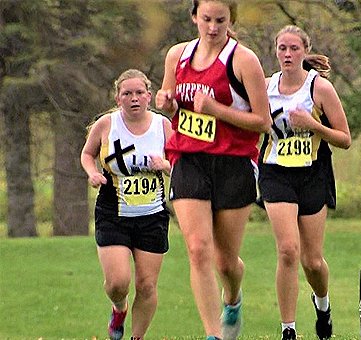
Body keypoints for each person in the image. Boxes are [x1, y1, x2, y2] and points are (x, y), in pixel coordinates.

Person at [155, 1, 271, 339]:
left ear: (230, 20)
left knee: (226, 262)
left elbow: (262, 122)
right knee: (197, 249)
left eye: (220, 20)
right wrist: (168, 103)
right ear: (194, 17)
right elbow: (172, 101)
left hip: (233, 162)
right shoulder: (177, 55)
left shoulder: (243, 60)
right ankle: (213, 335)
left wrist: (218, 110)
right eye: (206, 19)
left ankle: (232, 298)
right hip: (188, 157)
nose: (212, 27)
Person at [258, 25, 351, 340]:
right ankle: (288, 330)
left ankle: (322, 304)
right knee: (287, 250)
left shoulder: (319, 89)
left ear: (304, 51)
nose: (287, 54)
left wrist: (313, 125)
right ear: (276, 51)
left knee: (312, 261)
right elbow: (250, 123)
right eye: (282, 48)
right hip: (275, 172)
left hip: (312, 174)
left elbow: (345, 139)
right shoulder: (264, 87)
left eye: (293, 48)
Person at [80, 69, 173, 340]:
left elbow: (180, 164)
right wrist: (93, 173)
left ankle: (136, 337)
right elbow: (87, 153)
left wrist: (165, 165)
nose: (134, 99)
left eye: (139, 93)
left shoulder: (162, 126)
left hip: (152, 215)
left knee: (146, 285)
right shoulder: (106, 124)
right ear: (118, 98)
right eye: (127, 94)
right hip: (113, 212)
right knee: (118, 283)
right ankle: (118, 309)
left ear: (149, 96)